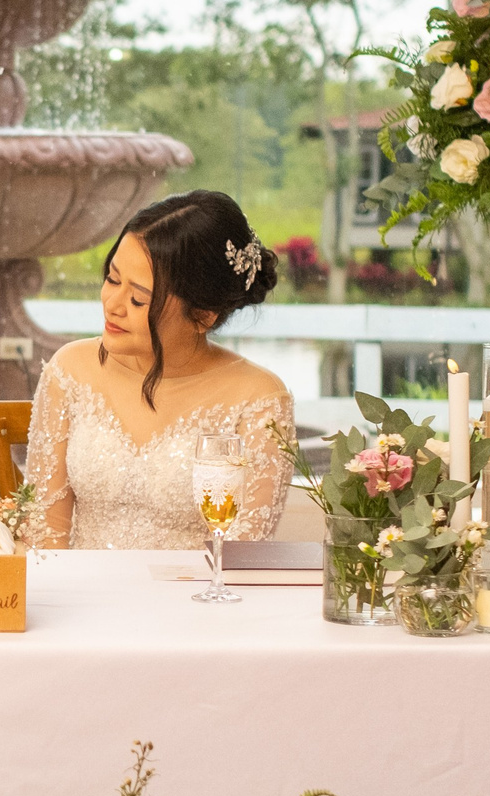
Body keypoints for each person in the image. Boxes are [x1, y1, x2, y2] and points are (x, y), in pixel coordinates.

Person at [24, 190, 295, 549]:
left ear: (202, 315)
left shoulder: (259, 399)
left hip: (196, 602)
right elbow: (44, 538)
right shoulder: (69, 370)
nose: (113, 305)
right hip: (82, 598)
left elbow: (241, 557)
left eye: (138, 299)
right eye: (112, 279)